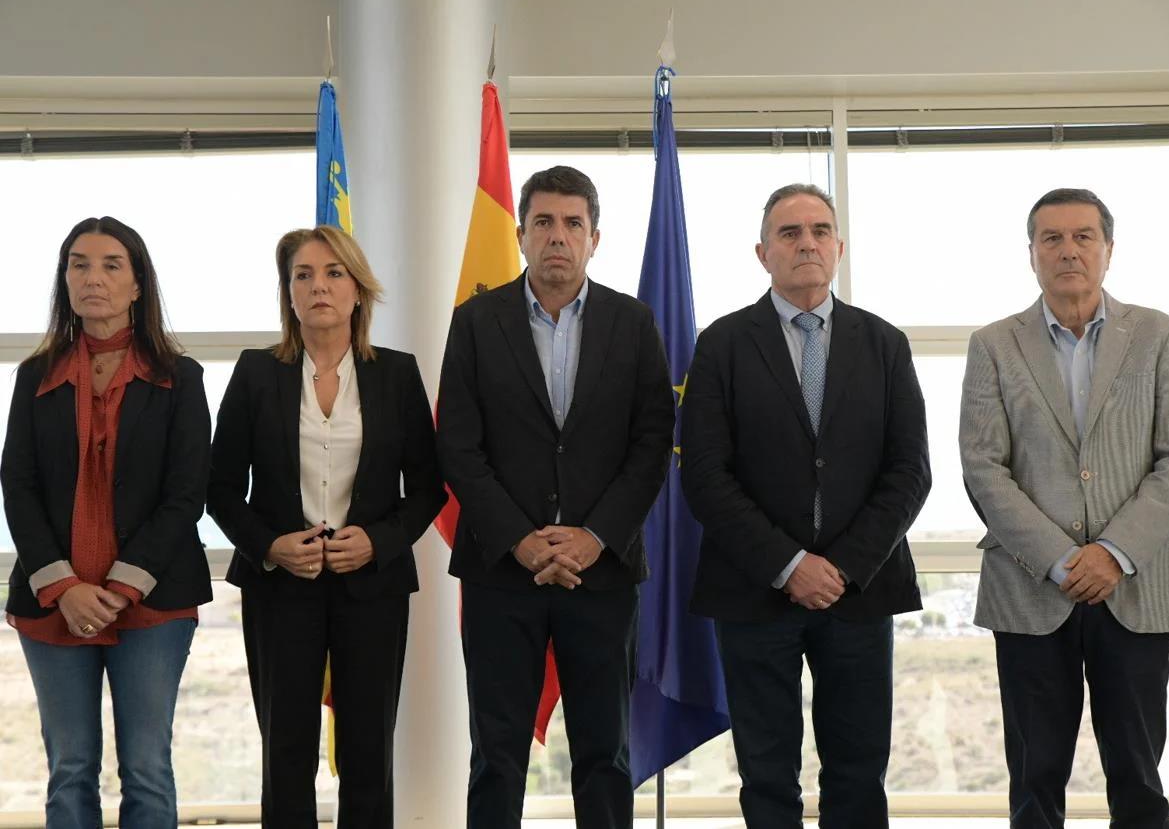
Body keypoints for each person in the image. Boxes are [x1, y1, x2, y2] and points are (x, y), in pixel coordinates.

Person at [680, 184, 931, 828]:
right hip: (754, 589)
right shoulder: (722, 345)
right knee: (766, 774)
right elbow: (706, 476)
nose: (807, 244)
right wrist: (790, 564)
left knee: (857, 770)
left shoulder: (885, 344)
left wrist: (840, 566)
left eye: (820, 231)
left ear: (839, 248)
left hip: (861, 591)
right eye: (790, 234)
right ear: (762, 253)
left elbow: (910, 473)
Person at [436, 165, 674, 829]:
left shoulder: (633, 323)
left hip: (603, 574)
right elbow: (458, 446)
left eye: (573, 223)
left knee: (605, 754)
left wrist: (592, 537)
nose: (558, 237)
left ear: (595, 238)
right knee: (496, 754)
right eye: (544, 222)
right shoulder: (477, 322)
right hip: (500, 574)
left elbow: (651, 443)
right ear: (520, 234)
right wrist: (522, 537)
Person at [960, 188, 1169, 829]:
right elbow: (984, 468)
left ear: (1108, 250)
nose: (1068, 250)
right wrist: (1063, 558)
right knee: (1034, 779)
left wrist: (1113, 553)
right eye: (1052, 239)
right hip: (1032, 586)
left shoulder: (1156, 334)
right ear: (1032, 254)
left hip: (1137, 583)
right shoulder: (993, 345)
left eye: (1083, 237)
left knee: (1139, 771)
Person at [207, 225, 444, 828]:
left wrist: (380, 541)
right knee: (285, 750)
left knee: (369, 750)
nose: (319, 287)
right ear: (288, 294)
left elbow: (426, 490)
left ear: (358, 290)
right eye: (303, 276)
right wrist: (270, 546)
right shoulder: (257, 373)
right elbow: (221, 489)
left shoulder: (396, 373)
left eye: (334, 273)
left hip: (374, 586)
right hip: (280, 587)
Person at [1, 216, 212, 828]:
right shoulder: (33, 376)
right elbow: (18, 486)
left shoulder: (180, 376)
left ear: (139, 283)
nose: (93, 277)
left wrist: (119, 588)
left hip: (152, 604)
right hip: (53, 602)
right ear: (65, 280)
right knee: (69, 767)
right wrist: (64, 588)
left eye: (111, 264)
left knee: (147, 767)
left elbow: (185, 493)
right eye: (79, 264)